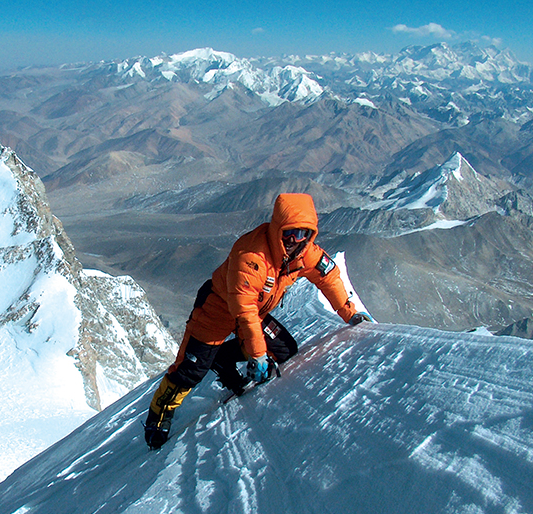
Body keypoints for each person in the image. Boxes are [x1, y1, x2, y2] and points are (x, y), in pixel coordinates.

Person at [144, 192, 371, 449]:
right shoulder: (251, 255)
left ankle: (223, 358)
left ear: (311, 235)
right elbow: (245, 311)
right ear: (278, 229)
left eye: (303, 233)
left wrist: (349, 312)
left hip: (254, 312)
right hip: (216, 310)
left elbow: (328, 277)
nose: (295, 240)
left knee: (286, 350)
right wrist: (257, 354)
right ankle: (157, 417)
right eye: (290, 232)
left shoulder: (304, 254)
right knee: (190, 371)